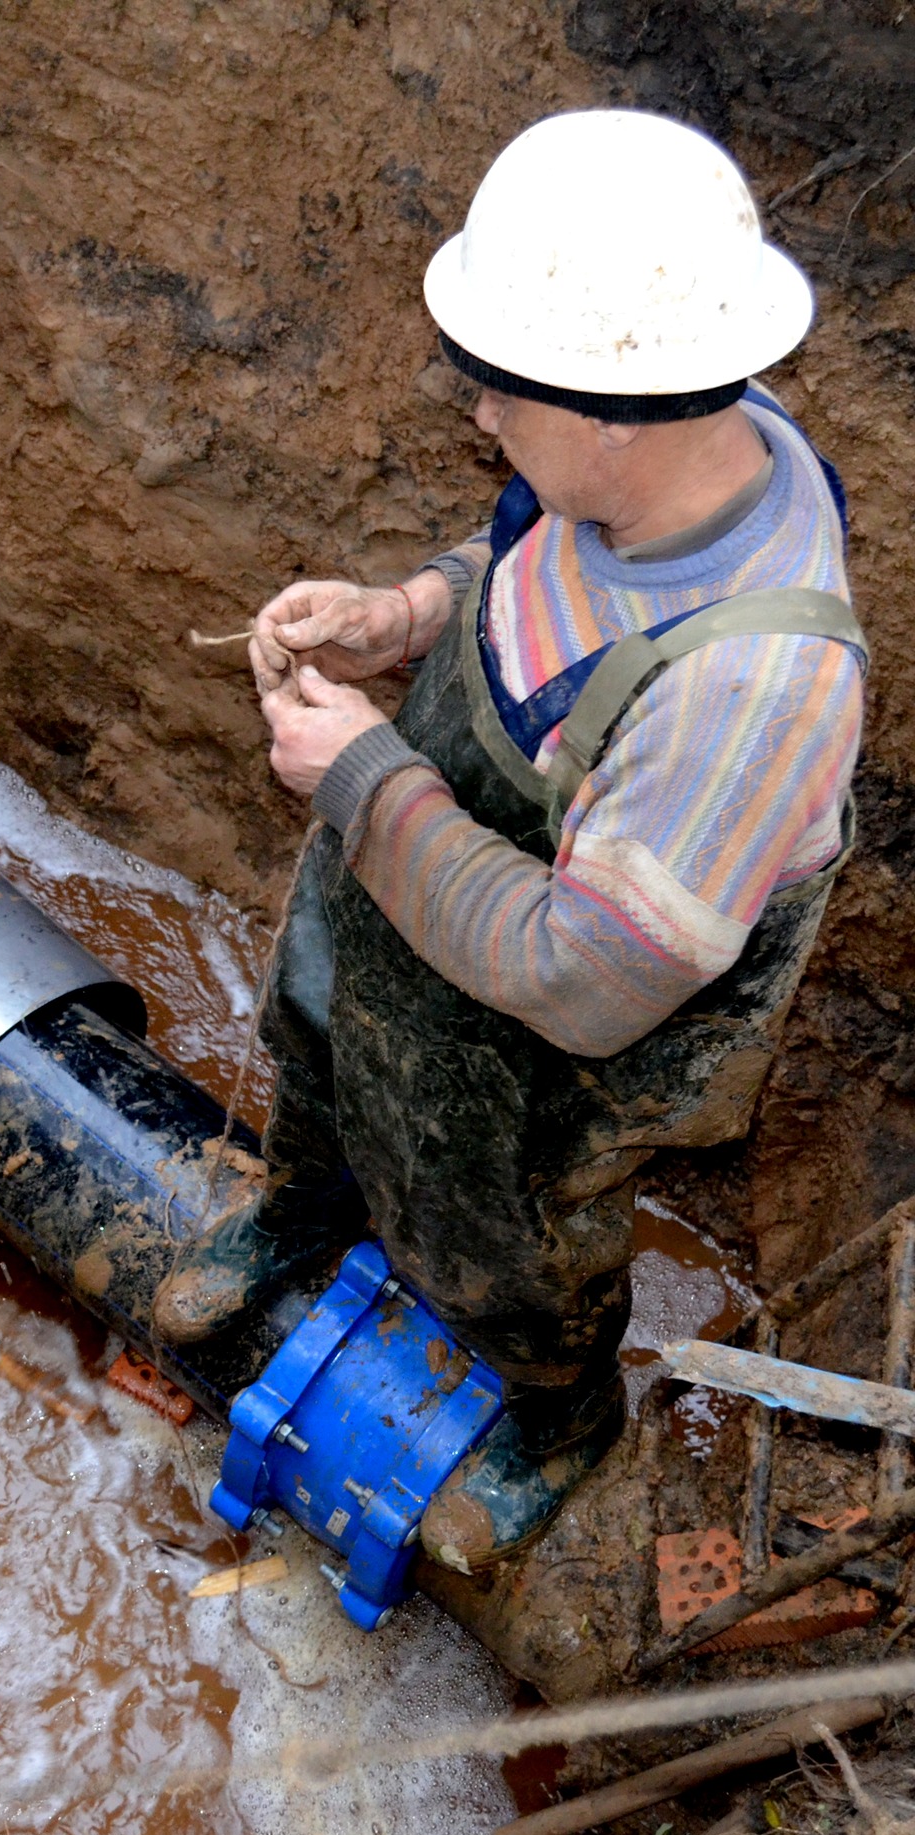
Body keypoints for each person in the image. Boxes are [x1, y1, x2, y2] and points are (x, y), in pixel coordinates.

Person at [155, 110, 867, 1566]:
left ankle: (556, 1416)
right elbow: (531, 563)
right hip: (421, 882)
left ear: (617, 404)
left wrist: (358, 773)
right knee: (322, 1028)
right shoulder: (687, 454)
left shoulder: (755, 693)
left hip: (556, 1031)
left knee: (508, 1222)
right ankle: (299, 1216)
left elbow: (584, 979)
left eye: (504, 391)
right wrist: (404, 614)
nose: (480, 416)